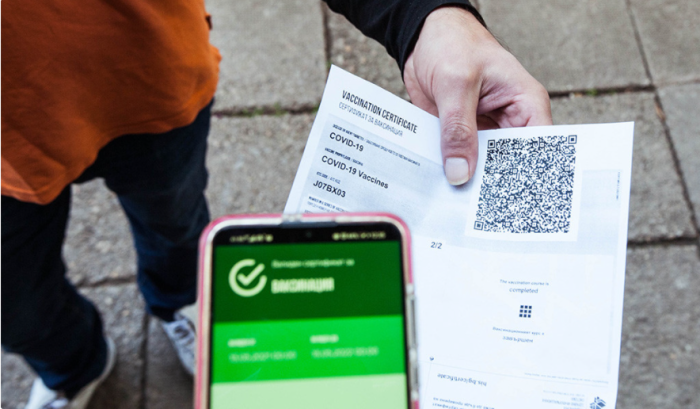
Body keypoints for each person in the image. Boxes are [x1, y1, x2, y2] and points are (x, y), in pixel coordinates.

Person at [1, 1, 551, 408]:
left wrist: (426, 17)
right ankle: (73, 367)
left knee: (175, 221)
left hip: (146, 81)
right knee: (16, 305)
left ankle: (180, 300)